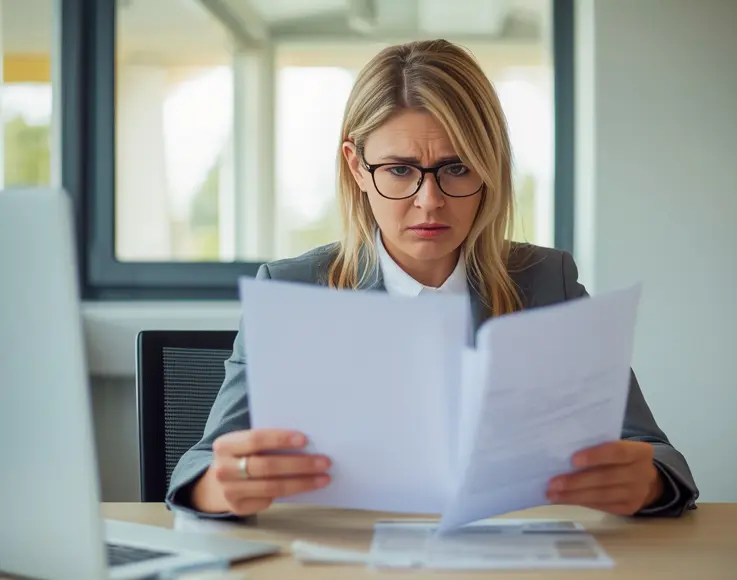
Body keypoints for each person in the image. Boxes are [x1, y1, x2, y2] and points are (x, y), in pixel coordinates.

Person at [167, 39, 699, 520]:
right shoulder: (292, 290)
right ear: (356, 167)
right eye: (399, 170)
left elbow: (659, 457)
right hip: (343, 562)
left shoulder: (546, 282)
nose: (430, 201)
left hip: (513, 562)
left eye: (457, 168)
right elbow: (196, 469)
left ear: (489, 167)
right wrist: (225, 485)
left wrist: (645, 482)